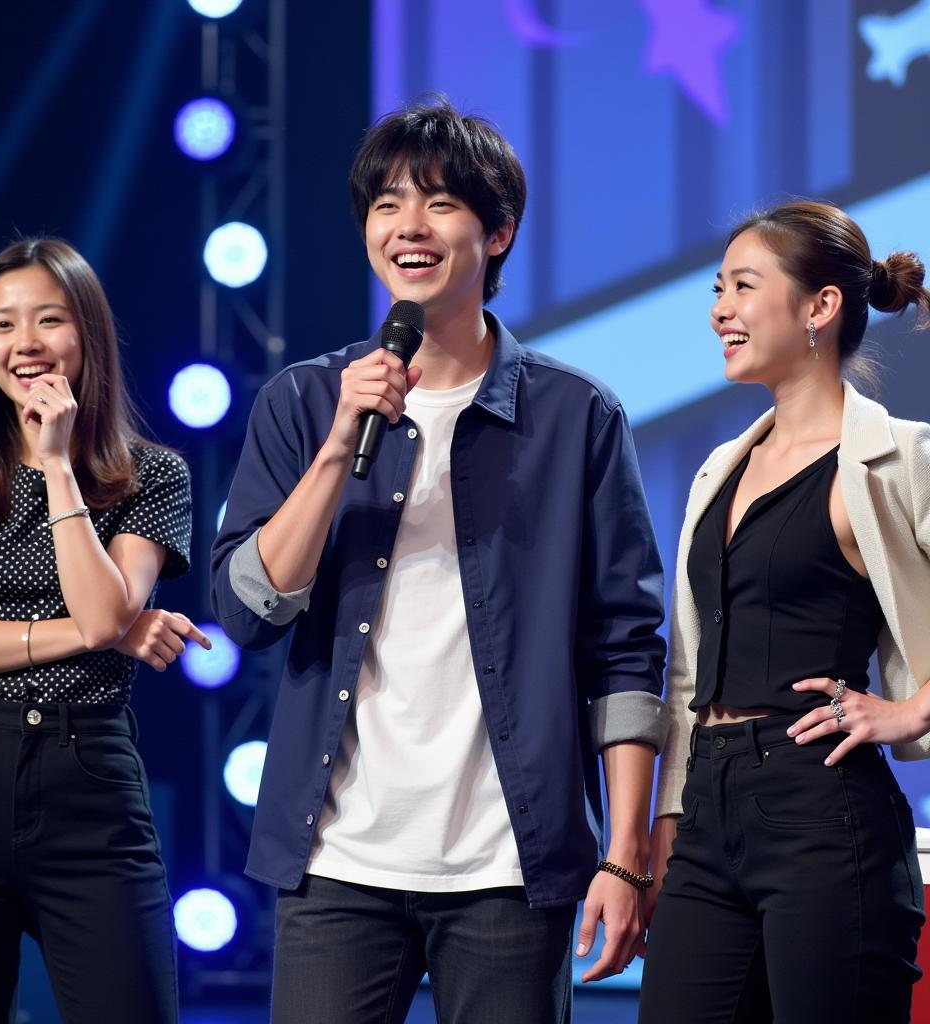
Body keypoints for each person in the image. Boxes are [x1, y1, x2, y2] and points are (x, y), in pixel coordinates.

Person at [212, 97, 668, 1024]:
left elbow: (626, 649)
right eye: (385, 204)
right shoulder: (305, 403)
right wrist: (341, 444)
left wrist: (624, 855)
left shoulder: (577, 418)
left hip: (507, 864)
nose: (408, 227)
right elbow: (247, 613)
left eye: (439, 203)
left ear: (497, 233)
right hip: (336, 859)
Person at [639, 200, 930, 1023]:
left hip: (822, 812)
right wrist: (670, 814)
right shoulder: (720, 469)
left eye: (742, 286)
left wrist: (908, 710)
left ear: (819, 307)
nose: (719, 311)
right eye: (716, 289)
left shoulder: (897, 460)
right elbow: (691, 669)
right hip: (707, 812)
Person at [0, 237, 210, 1023]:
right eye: (3, 325)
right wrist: (102, 630)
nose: (26, 343)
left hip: (89, 776)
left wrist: (56, 466)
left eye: (49, 319)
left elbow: (108, 609)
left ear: (89, 336)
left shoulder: (153, 476)